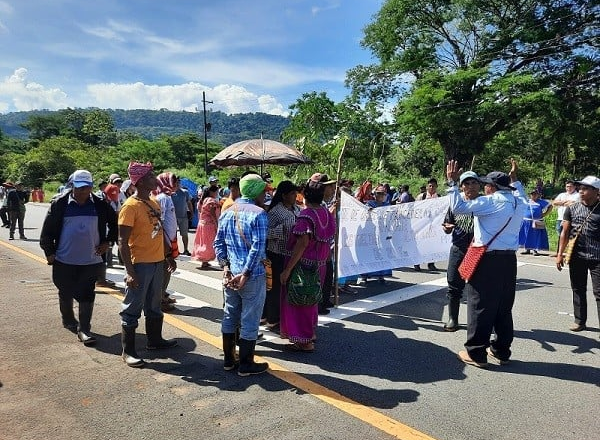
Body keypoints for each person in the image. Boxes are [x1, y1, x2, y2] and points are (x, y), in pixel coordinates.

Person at [446, 159, 527, 368]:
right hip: (509, 259)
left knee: (479, 304)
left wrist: (452, 184)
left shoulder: (491, 201)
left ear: (491, 187)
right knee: (503, 306)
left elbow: (458, 207)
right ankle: (501, 350)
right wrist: (514, 178)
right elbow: (518, 189)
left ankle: (476, 353)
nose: (482, 188)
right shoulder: (519, 201)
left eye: (485, 185)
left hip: (487, 258)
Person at [39, 169, 118, 346]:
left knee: (87, 294)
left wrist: (107, 241)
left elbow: (115, 223)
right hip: (64, 260)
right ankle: (68, 320)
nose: (83, 191)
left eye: (86, 187)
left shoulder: (99, 204)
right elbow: (46, 232)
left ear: (91, 187)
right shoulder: (60, 204)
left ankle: (84, 329)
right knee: (65, 291)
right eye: (79, 187)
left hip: (90, 260)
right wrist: (50, 254)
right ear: (71, 186)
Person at [118, 161, 178, 368]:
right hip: (140, 264)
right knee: (132, 307)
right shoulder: (130, 207)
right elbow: (122, 242)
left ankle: (155, 340)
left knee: (154, 304)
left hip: (157, 262)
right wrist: (130, 271)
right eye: (152, 176)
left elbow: (158, 231)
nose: (155, 179)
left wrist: (168, 255)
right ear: (141, 182)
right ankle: (129, 351)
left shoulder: (154, 203)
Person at [214, 173, 269, 376]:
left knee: (230, 315)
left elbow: (218, 243)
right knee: (250, 320)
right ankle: (246, 364)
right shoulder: (259, 214)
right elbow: (257, 248)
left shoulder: (228, 211)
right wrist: (245, 273)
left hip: (230, 276)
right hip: (251, 276)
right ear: (256, 191)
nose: (266, 193)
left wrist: (226, 268)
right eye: (264, 189)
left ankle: (229, 360)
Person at [279, 175, 336, 352]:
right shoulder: (326, 213)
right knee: (310, 300)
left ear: (305, 195)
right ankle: (310, 333)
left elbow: (302, 244)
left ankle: (304, 341)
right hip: (320, 264)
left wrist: (287, 270)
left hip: (303, 265)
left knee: (299, 301)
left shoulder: (306, 216)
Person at [556, 175, 600, 332]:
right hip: (576, 255)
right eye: (580, 188)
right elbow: (565, 232)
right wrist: (560, 254)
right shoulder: (572, 208)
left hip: (597, 258)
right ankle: (580, 321)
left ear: (596, 191)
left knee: (599, 292)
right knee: (578, 288)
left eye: (585, 188)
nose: (581, 191)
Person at [441, 171, 479, 331]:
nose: (470, 186)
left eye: (473, 183)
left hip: (477, 252)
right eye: (466, 183)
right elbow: (447, 225)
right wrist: (447, 228)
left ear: (479, 185)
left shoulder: (485, 203)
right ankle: (453, 319)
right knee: (454, 286)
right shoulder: (456, 204)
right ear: (461, 187)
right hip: (458, 249)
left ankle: (477, 323)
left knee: (477, 288)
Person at [265, 180, 300, 330]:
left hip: (292, 254)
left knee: (289, 287)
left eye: (295, 192)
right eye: (292, 193)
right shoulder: (275, 212)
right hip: (277, 254)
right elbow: (265, 232)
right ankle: (273, 318)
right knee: (276, 288)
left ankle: (287, 315)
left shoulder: (298, 209)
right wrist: (281, 230)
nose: (295, 195)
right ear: (284, 195)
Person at [153, 172, 179, 312]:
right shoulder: (162, 198)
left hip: (169, 239)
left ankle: (162, 295)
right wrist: (166, 249)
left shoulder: (168, 197)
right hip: (164, 242)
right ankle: (159, 300)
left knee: (166, 271)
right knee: (164, 271)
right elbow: (159, 223)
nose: (176, 184)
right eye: (174, 182)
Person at [357, 185, 392, 285]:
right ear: (375, 194)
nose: (381, 196)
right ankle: (365, 276)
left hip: (382, 234)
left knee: (382, 254)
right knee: (368, 254)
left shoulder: (387, 205)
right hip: (371, 233)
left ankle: (381, 276)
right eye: (379, 193)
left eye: (383, 194)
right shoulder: (369, 204)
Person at [414, 178, 440, 271]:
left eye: (434, 186)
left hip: (434, 225)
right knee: (420, 244)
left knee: (433, 245)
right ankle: (417, 263)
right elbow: (415, 210)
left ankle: (431, 263)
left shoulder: (440, 197)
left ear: (437, 187)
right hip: (422, 225)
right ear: (427, 187)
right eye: (430, 186)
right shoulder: (421, 197)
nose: (432, 187)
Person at [191, 185, 220, 268]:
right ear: (212, 192)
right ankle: (205, 260)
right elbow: (212, 214)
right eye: (216, 192)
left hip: (202, 224)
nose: (217, 194)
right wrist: (216, 224)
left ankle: (204, 261)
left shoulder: (202, 200)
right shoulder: (211, 201)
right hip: (209, 225)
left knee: (202, 242)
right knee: (208, 243)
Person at [519, 189, 552, 256]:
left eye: (535, 194)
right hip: (527, 221)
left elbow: (550, 206)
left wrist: (545, 214)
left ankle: (535, 249)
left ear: (538, 195)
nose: (533, 195)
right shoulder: (527, 201)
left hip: (537, 221)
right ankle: (527, 249)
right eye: (532, 194)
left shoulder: (541, 202)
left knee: (535, 235)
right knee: (527, 235)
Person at [171, 177, 193, 255]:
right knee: (173, 235)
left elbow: (189, 203)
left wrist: (191, 212)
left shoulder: (185, 192)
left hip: (183, 216)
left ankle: (186, 249)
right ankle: (175, 250)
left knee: (184, 234)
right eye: (175, 183)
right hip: (173, 217)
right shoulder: (170, 193)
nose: (177, 184)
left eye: (178, 182)